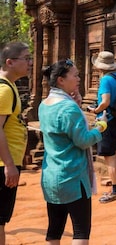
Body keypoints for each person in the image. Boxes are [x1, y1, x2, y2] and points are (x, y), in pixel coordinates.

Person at [39, 59, 106, 244]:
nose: (78, 78)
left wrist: (75, 105)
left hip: (51, 175)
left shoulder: (44, 105)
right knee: (80, 231)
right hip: (73, 176)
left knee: (54, 229)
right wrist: (100, 127)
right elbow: (83, 141)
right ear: (61, 80)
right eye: (75, 75)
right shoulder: (68, 108)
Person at [0, 43, 30, 245]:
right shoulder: (5, 90)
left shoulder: (8, 87)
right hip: (3, 163)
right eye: (26, 58)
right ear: (10, 62)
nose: (30, 62)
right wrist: (9, 164)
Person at [87, 51, 116, 203]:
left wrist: (95, 110)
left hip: (106, 120)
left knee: (109, 157)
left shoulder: (105, 80)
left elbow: (105, 101)